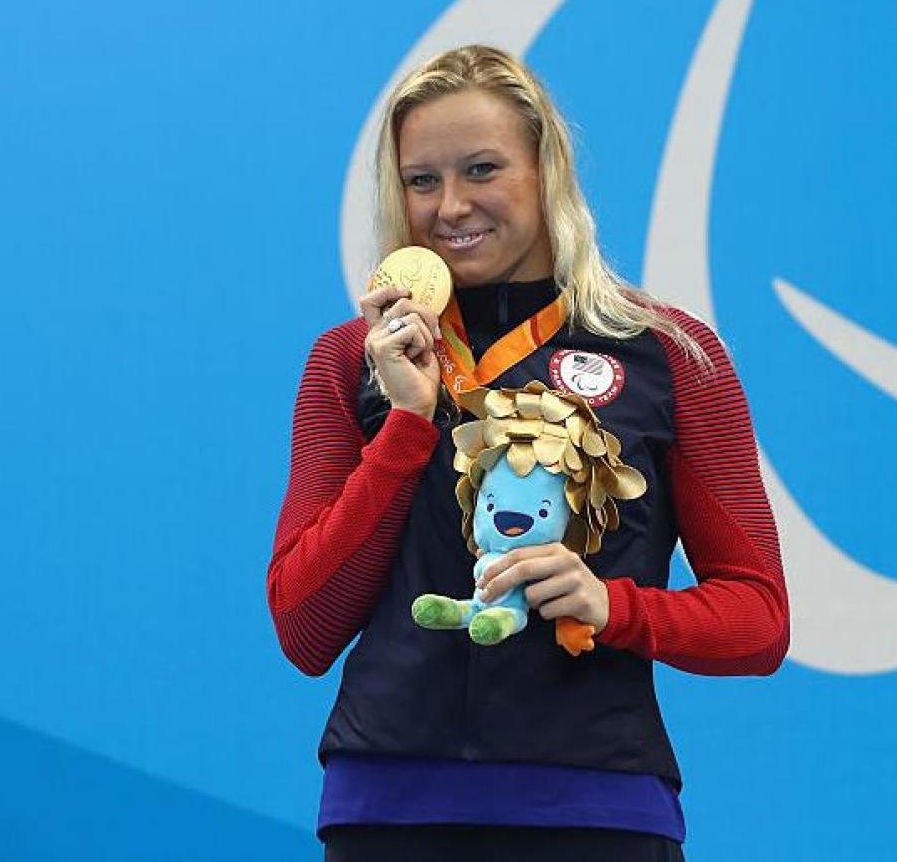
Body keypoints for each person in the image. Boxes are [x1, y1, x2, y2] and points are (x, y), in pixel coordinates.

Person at [267, 44, 789, 862]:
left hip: (596, 811)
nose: (450, 206)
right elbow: (305, 625)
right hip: (388, 814)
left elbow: (758, 620)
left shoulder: (671, 354)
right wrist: (406, 424)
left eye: (482, 169)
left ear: (547, 170)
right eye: (421, 179)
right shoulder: (352, 359)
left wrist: (615, 606)